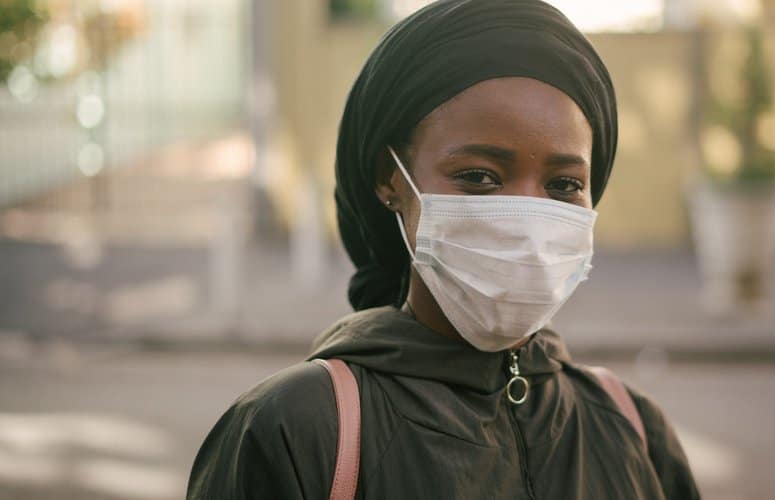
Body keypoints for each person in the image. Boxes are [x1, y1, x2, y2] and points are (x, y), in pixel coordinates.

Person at [186, 1, 700, 498]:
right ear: (391, 180)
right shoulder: (298, 431)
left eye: (564, 185)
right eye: (479, 176)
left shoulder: (633, 429)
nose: (524, 220)